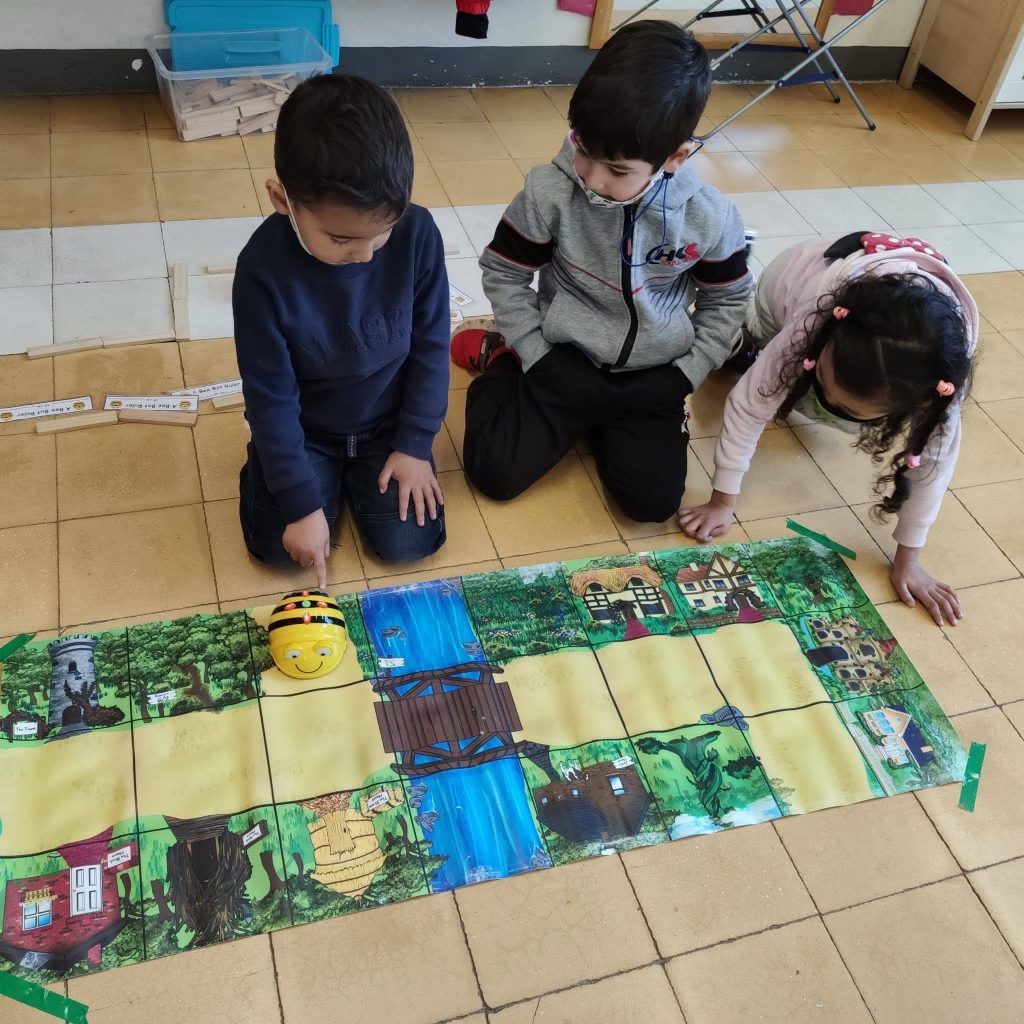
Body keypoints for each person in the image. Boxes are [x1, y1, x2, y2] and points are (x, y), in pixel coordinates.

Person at [450, 21, 752, 523]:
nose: (591, 179)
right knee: (493, 473)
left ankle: (600, 421)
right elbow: (504, 273)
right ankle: (500, 355)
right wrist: (534, 351)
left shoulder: (710, 216)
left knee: (651, 507)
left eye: (617, 170)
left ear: (675, 157)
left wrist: (688, 371)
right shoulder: (549, 191)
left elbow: (727, 300)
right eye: (583, 151)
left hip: (652, 375)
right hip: (561, 359)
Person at [679, 232, 978, 627]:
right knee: (770, 371)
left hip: (852, 324)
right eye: (822, 381)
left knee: (796, 391)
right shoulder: (815, 321)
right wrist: (722, 500)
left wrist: (909, 560)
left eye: (851, 409)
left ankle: (777, 365)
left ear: (915, 406)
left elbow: (933, 470)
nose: (829, 407)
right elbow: (749, 404)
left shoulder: (940, 387)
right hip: (787, 284)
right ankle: (746, 339)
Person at [232, 75, 449, 586]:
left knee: (407, 544)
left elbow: (431, 347)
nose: (364, 255)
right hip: (308, 430)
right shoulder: (261, 272)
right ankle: (283, 474)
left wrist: (414, 444)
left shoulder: (418, 235)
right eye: (340, 239)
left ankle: (348, 480)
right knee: (280, 548)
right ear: (283, 200)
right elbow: (270, 398)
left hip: (386, 426)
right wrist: (301, 503)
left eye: (382, 233)